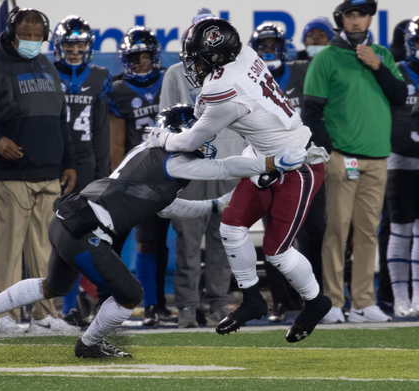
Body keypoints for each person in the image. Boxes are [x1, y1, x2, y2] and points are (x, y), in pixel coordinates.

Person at [0, 104, 308, 357]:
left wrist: (215, 206)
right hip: (87, 232)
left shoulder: (146, 152)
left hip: (67, 221)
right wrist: (270, 162)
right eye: (198, 132)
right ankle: (89, 344)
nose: (204, 138)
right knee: (130, 294)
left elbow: (162, 204)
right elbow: (223, 167)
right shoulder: (175, 160)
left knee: (54, 286)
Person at [147, 18, 331, 343]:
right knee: (230, 227)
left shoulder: (223, 87)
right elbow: (214, 100)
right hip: (262, 158)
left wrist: (163, 138)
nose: (194, 66)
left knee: (277, 252)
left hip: (297, 164)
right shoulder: (242, 54)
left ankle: (316, 302)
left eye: (199, 59)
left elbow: (189, 142)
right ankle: (252, 299)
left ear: (218, 56)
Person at [0, 7, 77, 333]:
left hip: (47, 171)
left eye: (36, 36)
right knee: (8, 247)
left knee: (46, 248)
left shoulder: (46, 65)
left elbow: (59, 119)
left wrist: (68, 161)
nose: (30, 41)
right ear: (12, 33)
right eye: (25, 35)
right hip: (6, 173)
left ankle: (44, 315)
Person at [301, 0, 407, 323]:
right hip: (341, 158)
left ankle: (363, 301)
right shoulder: (327, 58)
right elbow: (311, 111)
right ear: (342, 20)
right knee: (336, 229)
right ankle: (333, 302)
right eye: (350, 15)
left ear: (370, 17)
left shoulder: (383, 56)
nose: (357, 21)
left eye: (362, 15)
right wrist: (330, 151)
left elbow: (400, 97)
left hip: (377, 158)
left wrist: (377, 65)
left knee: (367, 233)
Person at [159, 7, 244, 328]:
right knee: (188, 242)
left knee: (226, 239)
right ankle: (187, 304)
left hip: (229, 165)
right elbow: (167, 124)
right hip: (192, 170)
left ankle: (219, 303)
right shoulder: (175, 74)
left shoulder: (236, 72)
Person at [248, 23, 326, 324]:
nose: (268, 50)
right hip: (272, 166)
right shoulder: (250, 82)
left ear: (284, 46)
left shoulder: (303, 71)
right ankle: (279, 301)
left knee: (314, 231)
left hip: (306, 163)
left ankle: (312, 297)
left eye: (273, 44)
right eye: (263, 45)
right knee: (276, 235)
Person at [109, 26, 175, 326]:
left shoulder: (170, 79)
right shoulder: (119, 90)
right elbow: (118, 142)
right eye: (134, 57)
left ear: (154, 56)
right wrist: (120, 178)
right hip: (143, 175)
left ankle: (161, 303)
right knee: (147, 240)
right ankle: (150, 305)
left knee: (165, 242)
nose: (139, 62)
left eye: (144, 56)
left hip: (175, 169)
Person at [51, 15, 112, 325]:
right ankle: (58, 305)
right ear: (58, 47)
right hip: (57, 161)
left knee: (83, 236)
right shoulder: (47, 73)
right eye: (69, 46)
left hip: (87, 161)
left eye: (80, 46)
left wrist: (105, 174)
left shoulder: (100, 76)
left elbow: (102, 132)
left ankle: (78, 304)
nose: (74, 52)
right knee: (55, 237)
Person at [385, 16, 419, 317]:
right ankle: (399, 298)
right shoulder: (398, 72)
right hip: (400, 159)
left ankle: (418, 296)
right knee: (400, 230)